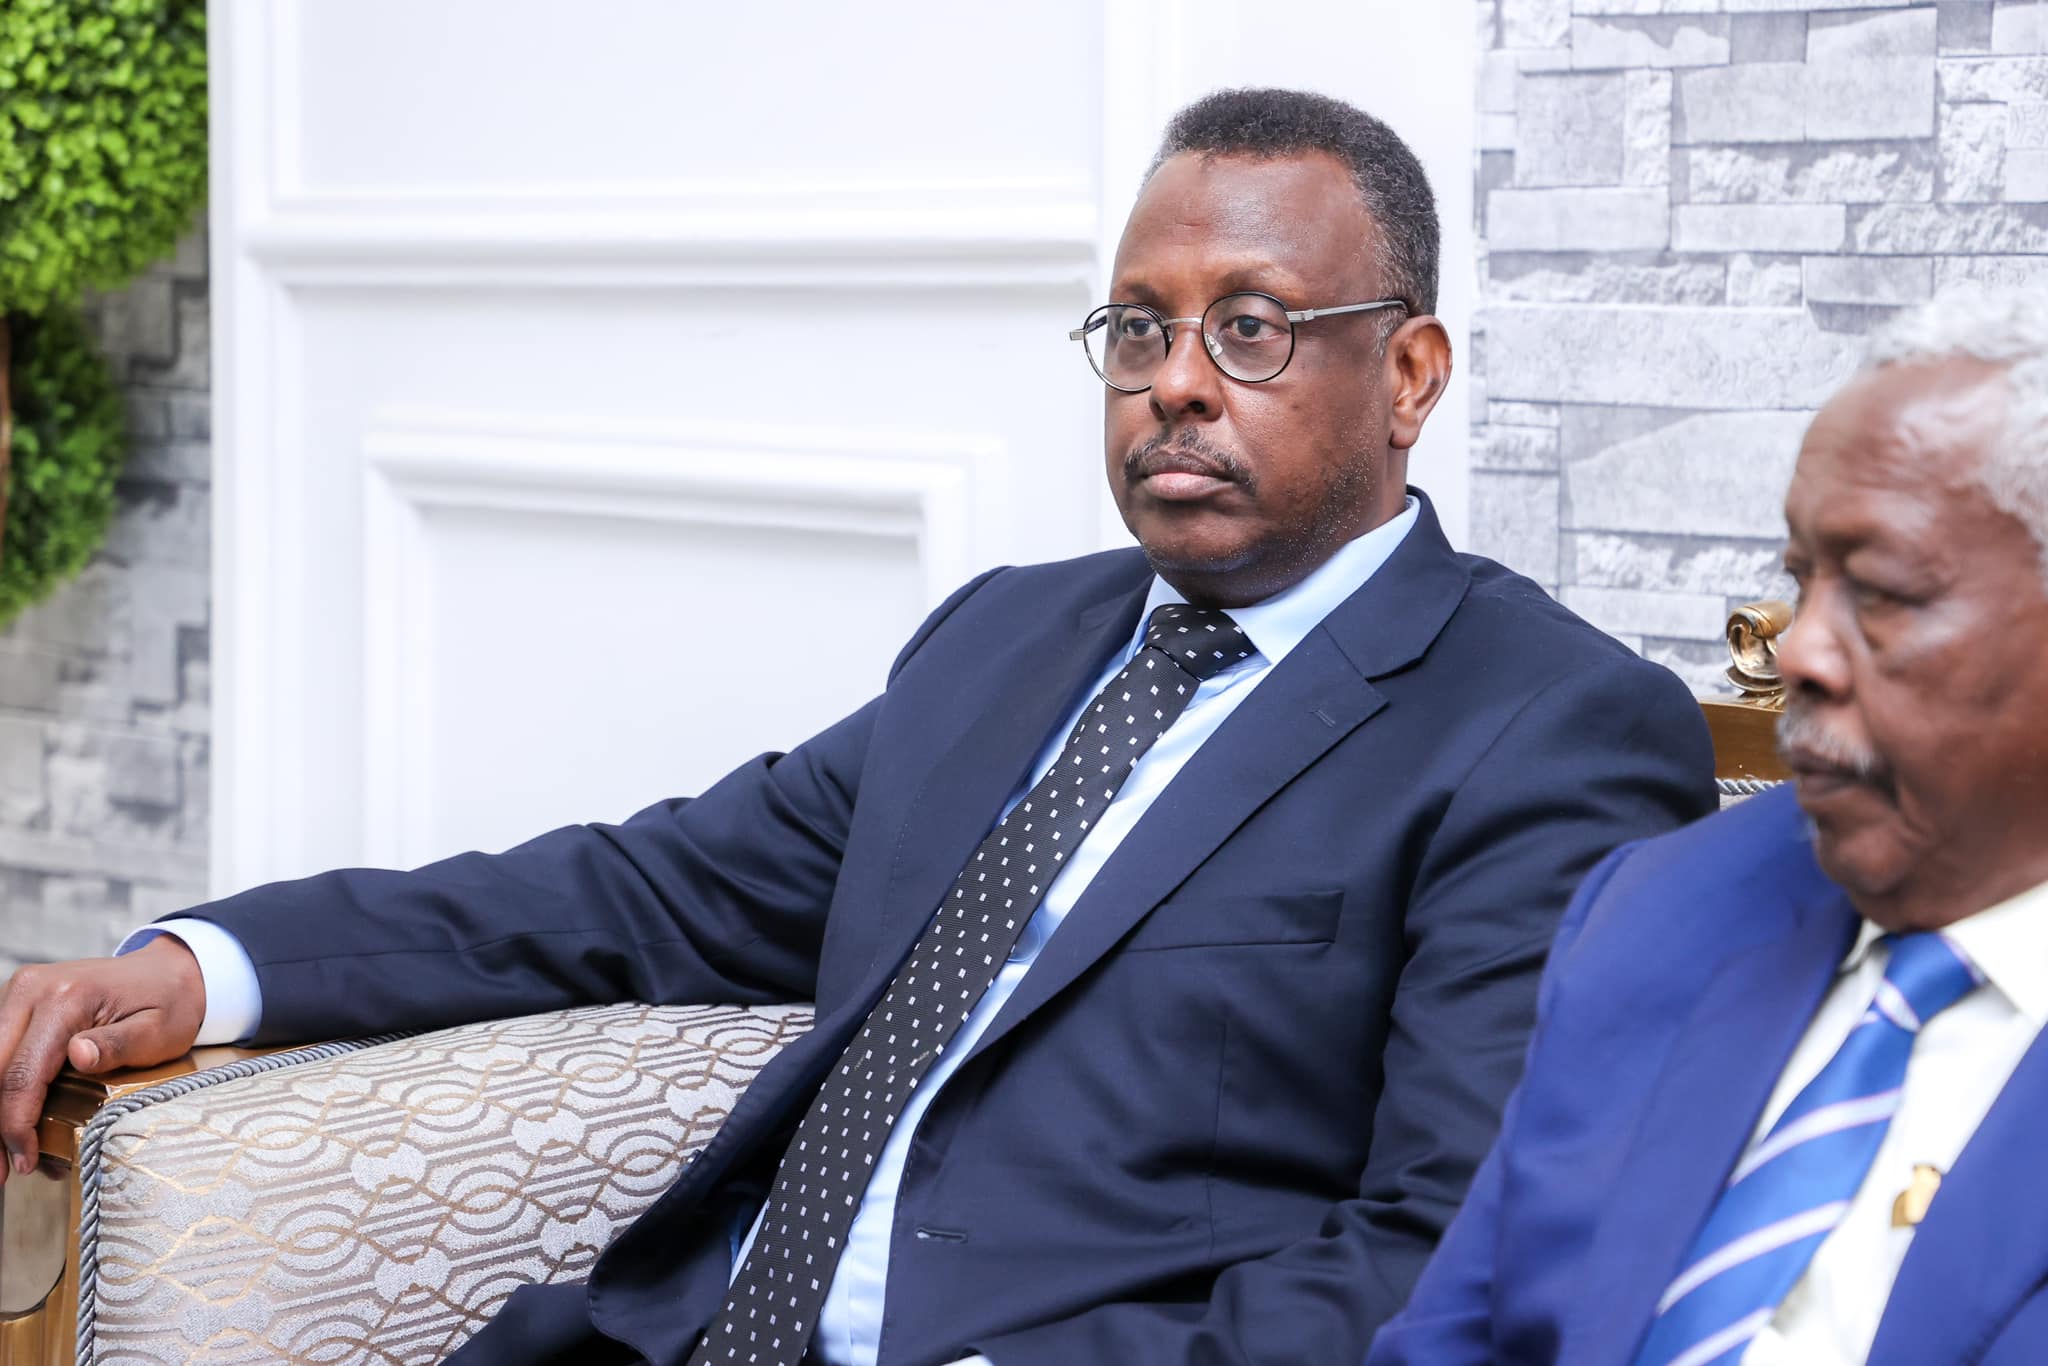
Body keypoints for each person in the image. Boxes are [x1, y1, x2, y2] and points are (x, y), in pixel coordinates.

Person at [0, 90, 1712, 1366]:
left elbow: (1443, 1245)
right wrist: (214, 965)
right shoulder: (1011, 638)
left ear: (1408, 374)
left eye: (1251, 327)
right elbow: (645, 892)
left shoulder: (1543, 729)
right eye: (1139, 326)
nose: (1177, 380)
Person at [1368, 285, 2048, 1366]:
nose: (1799, 651)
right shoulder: (1663, 908)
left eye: (1878, 592)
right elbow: (1454, 1340)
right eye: (1801, 580)